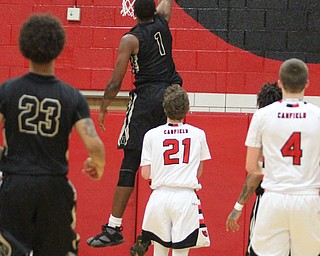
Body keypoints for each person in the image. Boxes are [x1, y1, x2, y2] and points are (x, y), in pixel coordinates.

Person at [0, 13, 105, 256]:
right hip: (54, 187)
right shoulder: (72, 97)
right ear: (58, 49)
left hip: (16, 185)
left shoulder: (7, 91)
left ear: (23, 48)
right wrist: (96, 166)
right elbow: (96, 147)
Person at [87, 0, 182, 248]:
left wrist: (104, 106)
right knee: (166, 166)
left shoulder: (130, 39)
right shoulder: (163, 21)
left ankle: (114, 227)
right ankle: (159, 229)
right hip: (172, 95)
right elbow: (166, 5)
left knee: (130, 162)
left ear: (132, 12)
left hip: (147, 99)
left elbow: (115, 82)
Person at [245, 58, 320, 256]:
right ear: (306, 84)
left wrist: (274, 171)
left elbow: (251, 166)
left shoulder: (262, 116)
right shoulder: (317, 116)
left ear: (280, 82)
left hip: (274, 198)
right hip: (307, 198)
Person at [130, 84, 211, 256]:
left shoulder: (151, 135)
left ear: (164, 109)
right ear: (187, 109)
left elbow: (145, 174)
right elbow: (199, 172)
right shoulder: (198, 134)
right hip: (185, 198)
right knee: (180, 253)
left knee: (159, 252)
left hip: (159, 197)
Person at [225, 82, 282, 255]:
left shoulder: (264, 126)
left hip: (269, 200)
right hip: (297, 200)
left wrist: (237, 208)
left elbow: (255, 173)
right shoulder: (304, 123)